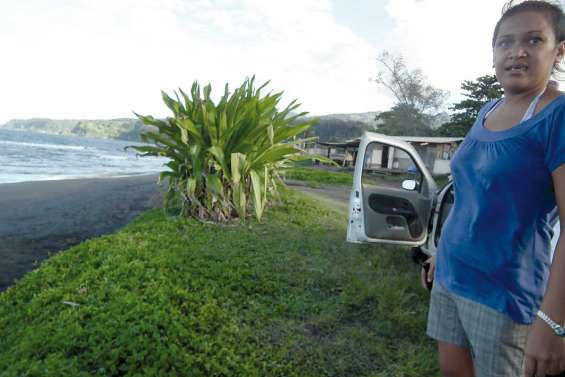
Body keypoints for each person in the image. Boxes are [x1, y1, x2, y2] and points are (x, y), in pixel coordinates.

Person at [422, 1, 565, 376]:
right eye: (505, 43)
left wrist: (553, 321)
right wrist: (440, 253)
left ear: (559, 51)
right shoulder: (486, 110)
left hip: (504, 294)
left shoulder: (558, 116)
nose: (517, 52)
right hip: (451, 274)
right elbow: (468, 194)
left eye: (534, 40)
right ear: (493, 54)